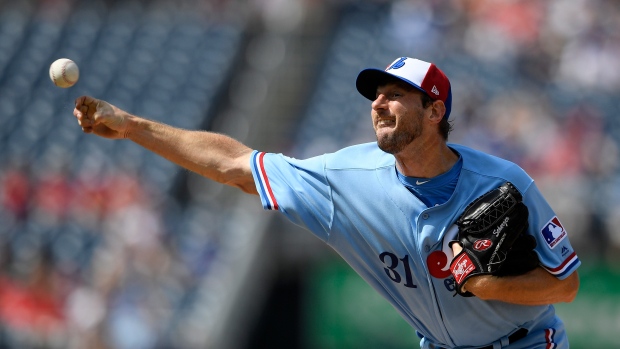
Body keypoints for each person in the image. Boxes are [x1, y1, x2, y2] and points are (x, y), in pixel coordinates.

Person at [73, 56, 580, 349]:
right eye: (375, 94)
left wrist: (488, 283)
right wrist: (135, 127)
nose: (378, 103)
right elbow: (234, 165)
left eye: (395, 94)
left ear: (434, 110)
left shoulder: (502, 183)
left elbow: (568, 284)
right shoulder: (347, 178)